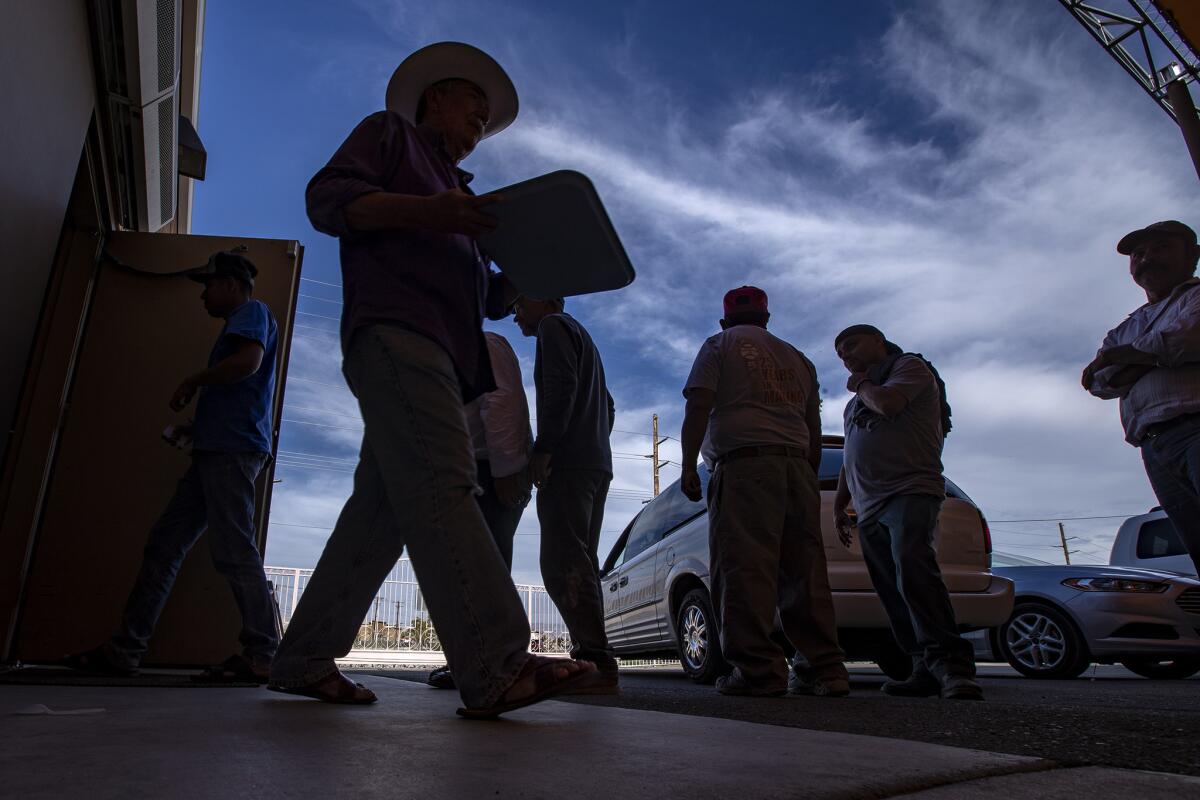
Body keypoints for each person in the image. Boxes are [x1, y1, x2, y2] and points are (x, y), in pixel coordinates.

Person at [268, 42, 596, 715]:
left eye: (484, 121)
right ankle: (496, 662)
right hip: (396, 332)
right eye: (471, 110)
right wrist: (432, 213)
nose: (479, 126)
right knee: (447, 480)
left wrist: (536, 272)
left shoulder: (468, 203)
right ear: (433, 101)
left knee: (381, 510)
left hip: (441, 352)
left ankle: (303, 657)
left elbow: (480, 296)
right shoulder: (389, 136)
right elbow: (329, 201)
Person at [66, 251, 281, 683]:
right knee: (165, 545)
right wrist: (196, 428)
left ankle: (264, 654)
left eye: (208, 285)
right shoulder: (238, 322)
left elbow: (247, 364)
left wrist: (191, 381)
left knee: (235, 550)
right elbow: (238, 385)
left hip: (232, 451)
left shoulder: (252, 312)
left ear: (231, 285)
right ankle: (125, 649)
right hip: (215, 449)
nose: (203, 295)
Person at [680, 286, 848, 697]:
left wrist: (688, 465)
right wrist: (805, 474)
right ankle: (823, 668)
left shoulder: (718, 345)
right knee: (804, 570)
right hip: (796, 466)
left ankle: (758, 670)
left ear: (725, 321)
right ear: (766, 319)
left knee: (743, 569)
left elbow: (698, 405)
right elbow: (811, 425)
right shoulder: (798, 359)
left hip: (744, 466)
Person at [833, 324, 981, 700]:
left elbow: (889, 404)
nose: (844, 355)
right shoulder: (853, 406)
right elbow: (850, 458)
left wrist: (862, 385)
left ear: (878, 341)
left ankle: (952, 666)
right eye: (839, 351)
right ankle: (921, 665)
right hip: (868, 507)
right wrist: (839, 504)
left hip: (910, 489)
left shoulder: (909, 368)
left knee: (915, 572)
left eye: (850, 344)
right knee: (891, 588)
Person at [512, 295, 620, 694]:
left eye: (521, 302)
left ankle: (594, 661)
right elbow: (608, 405)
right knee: (582, 560)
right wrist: (593, 443)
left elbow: (560, 387)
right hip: (594, 464)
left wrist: (547, 447)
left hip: (570, 465)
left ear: (548, 300)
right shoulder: (585, 338)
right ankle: (595, 658)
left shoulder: (554, 327)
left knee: (563, 562)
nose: (515, 312)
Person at [1083, 220, 1200, 577]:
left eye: (1161, 247)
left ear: (1191, 255)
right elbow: (1097, 382)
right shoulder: (1124, 328)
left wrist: (1123, 358)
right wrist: (1147, 355)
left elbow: (1189, 338)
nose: (1147, 258)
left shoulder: (1194, 296)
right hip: (1154, 445)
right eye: (1138, 254)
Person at [427, 330, 533, 690]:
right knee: (471, 573)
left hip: (487, 472)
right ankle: (477, 662)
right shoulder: (453, 348)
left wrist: (505, 470)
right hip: (472, 470)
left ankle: (495, 663)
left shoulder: (484, 342)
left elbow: (503, 400)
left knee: (485, 572)